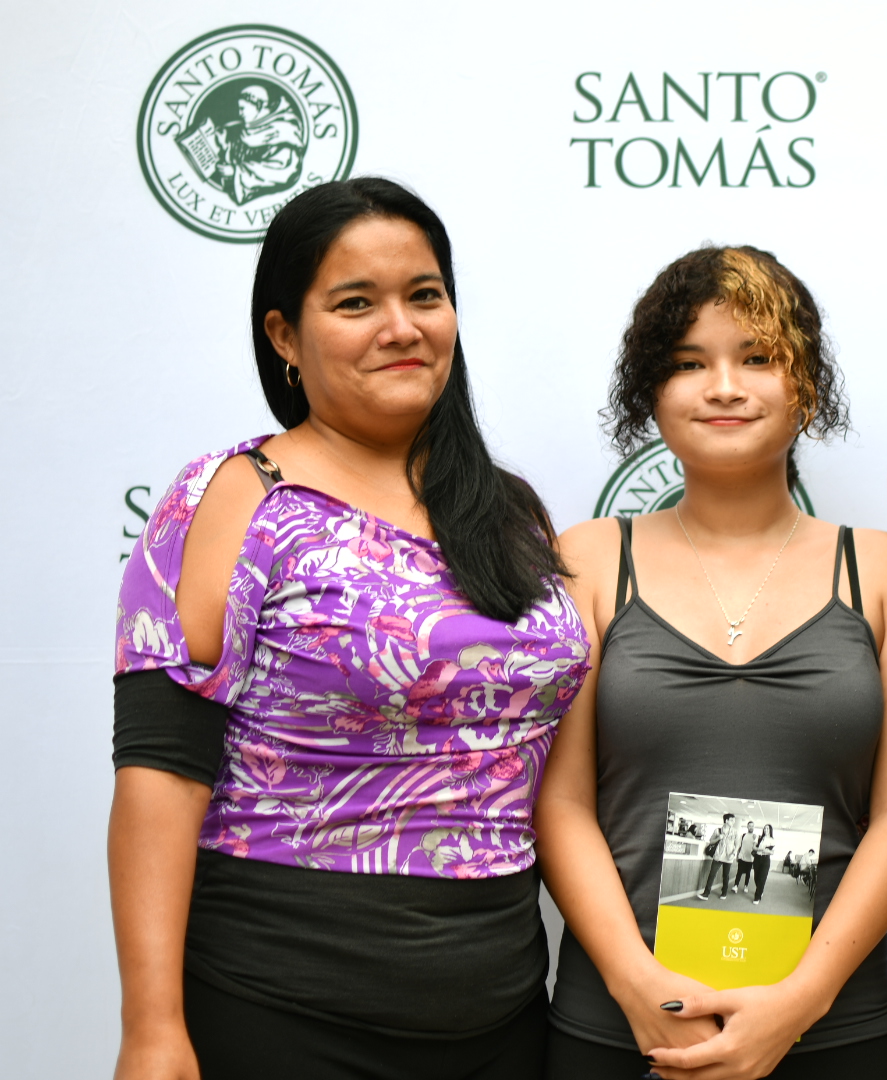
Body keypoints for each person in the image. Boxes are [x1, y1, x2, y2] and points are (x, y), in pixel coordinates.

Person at [108, 177, 589, 1080]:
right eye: (355, 302)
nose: (400, 327)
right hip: (283, 1007)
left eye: (425, 295)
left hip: (503, 1005)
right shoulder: (236, 499)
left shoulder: (509, 511)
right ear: (285, 335)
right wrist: (151, 1026)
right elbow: (159, 773)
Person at [536, 245, 887, 1080]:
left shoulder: (886, 570)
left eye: (758, 357)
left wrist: (801, 1000)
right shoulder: (590, 559)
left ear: (807, 386)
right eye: (688, 364)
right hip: (621, 1026)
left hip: (832, 1027)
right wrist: (640, 986)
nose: (722, 386)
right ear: (652, 391)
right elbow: (560, 800)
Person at [699, 812, 739, 900]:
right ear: (726, 820)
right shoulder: (718, 830)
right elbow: (711, 841)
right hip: (718, 855)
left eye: (734, 820)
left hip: (729, 856)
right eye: (731, 820)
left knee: (726, 875)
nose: (733, 822)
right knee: (712, 874)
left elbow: (737, 844)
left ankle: (724, 893)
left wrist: (734, 853)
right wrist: (718, 838)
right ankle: (706, 893)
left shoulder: (735, 831)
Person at [752, 824, 777, 904]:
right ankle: (760, 890)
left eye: (767, 828)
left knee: (762, 878)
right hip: (757, 858)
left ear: (770, 830)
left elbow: (772, 852)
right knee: (756, 877)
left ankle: (757, 897)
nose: (766, 830)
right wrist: (761, 849)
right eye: (765, 828)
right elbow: (754, 847)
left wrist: (767, 851)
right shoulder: (759, 837)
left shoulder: (772, 840)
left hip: (766, 859)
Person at [733, 820, 760, 894]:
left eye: (752, 826)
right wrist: (737, 855)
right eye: (750, 826)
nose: (751, 827)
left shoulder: (755, 836)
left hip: (750, 858)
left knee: (748, 873)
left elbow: (756, 847)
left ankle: (746, 886)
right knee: (739, 872)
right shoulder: (743, 835)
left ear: (754, 827)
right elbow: (739, 845)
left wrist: (755, 839)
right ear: (747, 827)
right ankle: (735, 886)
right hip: (742, 856)